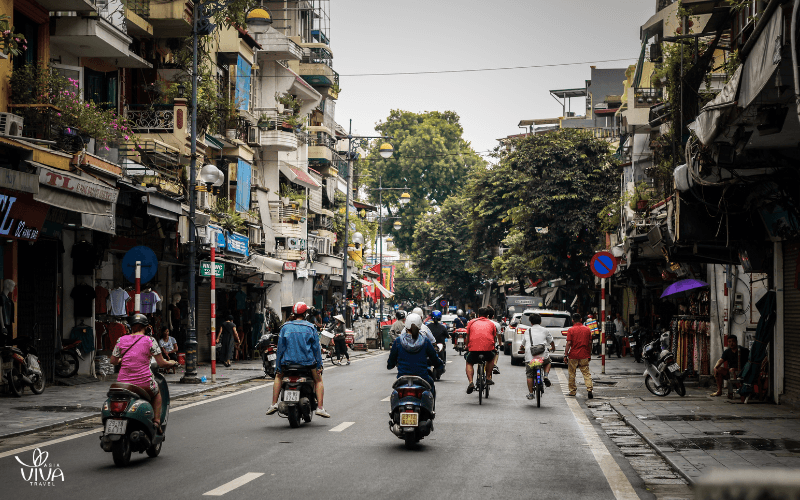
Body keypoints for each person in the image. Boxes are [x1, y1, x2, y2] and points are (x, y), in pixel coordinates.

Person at [109, 314, 177, 433]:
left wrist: (121, 360)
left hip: (122, 383)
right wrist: (172, 363)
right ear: (146, 327)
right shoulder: (150, 340)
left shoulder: (121, 340)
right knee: (157, 394)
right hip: (144, 383)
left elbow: (113, 361)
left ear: (131, 327)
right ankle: (156, 422)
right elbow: (161, 363)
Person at [266, 302, 329, 418]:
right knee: (318, 380)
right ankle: (320, 407)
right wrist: (319, 365)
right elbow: (316, 350)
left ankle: (273, 404)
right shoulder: (311, 327)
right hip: (307, 363)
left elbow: (280, 349)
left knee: (278, 376)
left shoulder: (285, 327)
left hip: (287, 363)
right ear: (305, 313)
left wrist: (278, 366)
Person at [388, 313, 443, 401]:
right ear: (420, 325)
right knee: (431, 384)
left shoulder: (398, 341)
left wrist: (390, 365)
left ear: (406, 325)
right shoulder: (425, 341)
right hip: (422, 377)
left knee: (395, 394)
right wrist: (439, 365)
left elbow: (391, 361)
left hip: (402, 378)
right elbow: (434, 358)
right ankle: (431, 411)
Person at [519, 313, 555, 399]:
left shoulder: (528, 331)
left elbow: (523, 344)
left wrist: (521, 349)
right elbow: (551, 341)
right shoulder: (545, 330)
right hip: (542, 356)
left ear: (531, 322)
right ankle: (545, 376)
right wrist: (553, 347)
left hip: (530, 356)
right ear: (540, 321)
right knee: (548, 361)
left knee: (529, 375)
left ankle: (531, 393)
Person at [464, 306, 499, 394]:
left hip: (474, 349)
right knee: (491, 358)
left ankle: (471, 382)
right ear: (487, 315)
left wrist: (466, 346)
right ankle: (488, 378)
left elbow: (467, 336)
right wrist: (493, 347)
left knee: (469, 362)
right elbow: (494, 338)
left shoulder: (471, 322)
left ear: (478, 314)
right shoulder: (492, 324)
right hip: (488, 349)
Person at [565, 313, 594, 398]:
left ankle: (572, 391)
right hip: (584, 355)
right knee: (586, 373)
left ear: (572, 320)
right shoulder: (587, 329)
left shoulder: (571, 330)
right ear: (581, 320)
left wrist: (565, 355)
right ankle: (589, 389)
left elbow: (569, 343)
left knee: (572, 374)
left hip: (573, 355)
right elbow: (590, 343)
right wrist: (589, 353)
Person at [487, 306, 502, 375]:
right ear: (493, 316)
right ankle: (494, 364)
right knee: (496, 352)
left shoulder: (477, 323)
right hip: (492, 346)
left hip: (478, 346)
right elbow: (499, 337)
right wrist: (500, 344)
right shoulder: (496, 324)